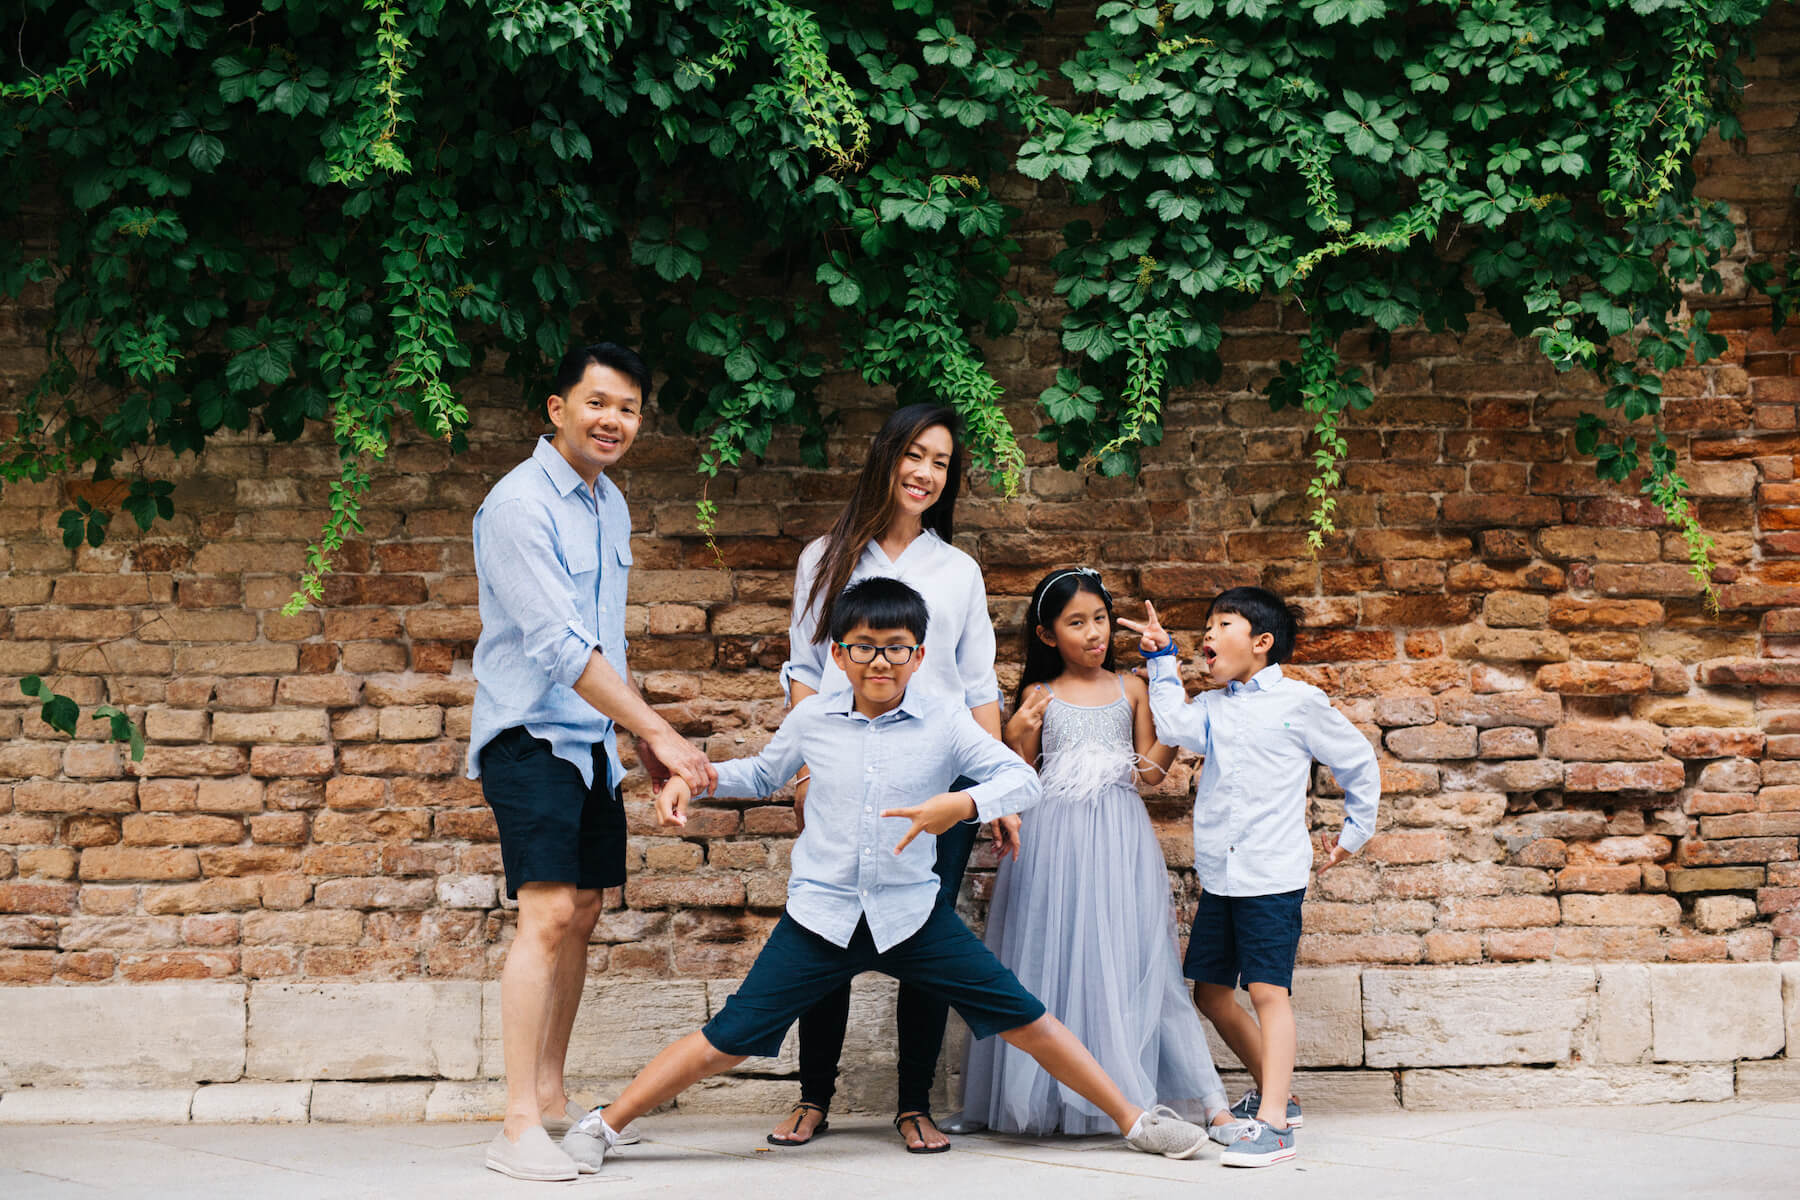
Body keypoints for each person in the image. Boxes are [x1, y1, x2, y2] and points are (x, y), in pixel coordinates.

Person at [557, 578, 1216, 1171]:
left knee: (1028, 1019)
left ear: (920, 656)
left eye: (897, 647)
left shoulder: (944, 722)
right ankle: (604, 1124)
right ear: (839, 655)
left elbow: (1019, 779)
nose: (880, 660)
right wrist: (690, 780)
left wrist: (957, 805)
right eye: (864, 647)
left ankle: (1136, 1121)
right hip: (822, 917)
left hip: (912, 917)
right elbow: (761, 772)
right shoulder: (814, 717)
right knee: (724, 1039)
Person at [469, 343, 717, 1183]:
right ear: (556, 407)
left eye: (630, 410)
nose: (614, 421)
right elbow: (559, 647)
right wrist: (669, 734)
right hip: (529, 735)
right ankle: (512, 1128)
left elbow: (605, 645)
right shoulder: (519, 505)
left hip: (590, 743)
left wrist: (640, 742)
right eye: (598, 403)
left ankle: (548, 1101)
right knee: (543, 916)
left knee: (581, 915)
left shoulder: (610, 506)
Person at [771, 403, 1013, 1153]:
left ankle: (914, 1103)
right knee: (826, 934)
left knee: (928, 942)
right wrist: (810, 768)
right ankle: (814, 1098)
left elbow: (978, 685)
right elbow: (805, 670)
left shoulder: (957, 569)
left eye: (941, 462)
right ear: (885, 457)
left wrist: (993, 787)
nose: (926, 473)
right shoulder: (826, 557)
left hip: (936, 783)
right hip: (847, 776)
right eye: (915, 454)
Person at [962, 567, 1234, 1140]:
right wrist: (1014, 734)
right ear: (1046, 635)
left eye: (1101, 620)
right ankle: (1051, 1099)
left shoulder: (1132, 688)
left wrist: (1172, 704)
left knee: (1135, 956)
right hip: (1051, 842)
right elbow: (1021, 776)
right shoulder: (1039, 695)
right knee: (1050, 955)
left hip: (1118, 837)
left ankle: (1209, 1102)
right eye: (1076, 623)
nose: (1094, 634)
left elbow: (1152, 774)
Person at [1119, 585, 1380, 1168]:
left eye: (1222, 624)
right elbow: (1175, 726)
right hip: (1223, 874)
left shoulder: (1301, 702)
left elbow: (1358, 761)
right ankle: (1278, 1093)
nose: (1208, 634)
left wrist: (1352, 834)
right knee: (1211, 992)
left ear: (1261, 643)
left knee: (1268, 991)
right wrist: (1162, 659)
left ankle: (1274, 1125)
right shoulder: (1211, 707)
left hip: (1272, 872)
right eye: (1206, 625)